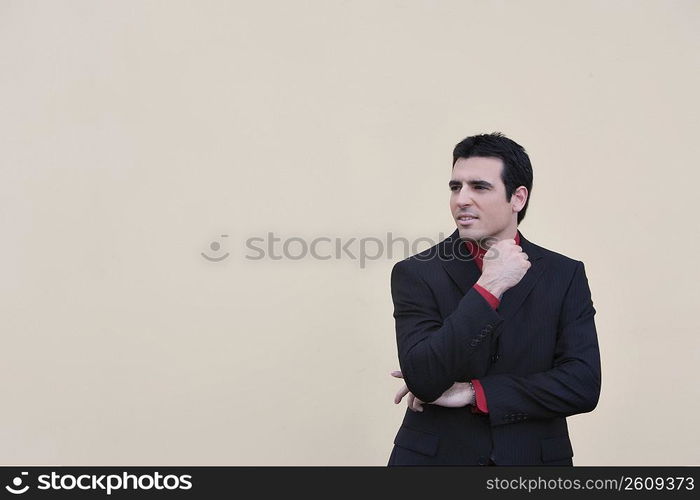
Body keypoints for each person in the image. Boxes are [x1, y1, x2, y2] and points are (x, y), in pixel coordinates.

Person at [388, 132, 601, 466]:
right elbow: (424, 378)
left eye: (479, 187)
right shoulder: (415, 273)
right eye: (455, 187)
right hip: (436, 460)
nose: (461, 199)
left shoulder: (564, 274)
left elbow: (582, 385)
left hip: (533, 461)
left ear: (517, 198)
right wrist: (489, 287)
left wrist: (477, 392)